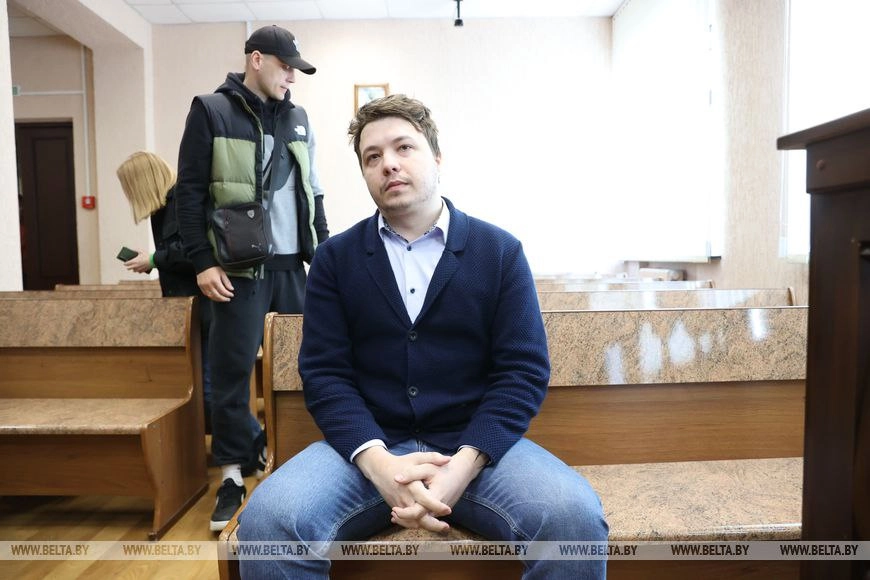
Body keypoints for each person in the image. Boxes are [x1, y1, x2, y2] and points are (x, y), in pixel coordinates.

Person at [238, 94, 608, 578]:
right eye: (372, 157)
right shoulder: (334, 259)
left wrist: (463, 467)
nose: (388, 164)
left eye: (403, 148)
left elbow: (522, 372)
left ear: (436, 156)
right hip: (367, 452)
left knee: (573, 519)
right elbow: (326, 374)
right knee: (268, 522)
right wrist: (379, 464)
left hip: (476, 451)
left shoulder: (499, 252)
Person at [174, 25, 329, 532]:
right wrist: (202, 262)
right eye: (286, 67)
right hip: (237, 270)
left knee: (308, 371)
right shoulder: (211, 111)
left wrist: (325, 256)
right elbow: (189, 195)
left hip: (292, 266)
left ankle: (305, 463)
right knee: (231, 374)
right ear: (256, 60)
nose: (292, 78)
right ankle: (232, 475)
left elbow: (314, 190)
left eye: (296, 70)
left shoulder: (299, 119)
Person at [116, 151, 213, 434]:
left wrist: (155, 259)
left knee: (209, 387)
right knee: (200, 384)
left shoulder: (182, 202)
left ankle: (238, 450)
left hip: (205, 306)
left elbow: (195, 251)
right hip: (185, 307)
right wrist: (151, 261)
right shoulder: (163, 208)